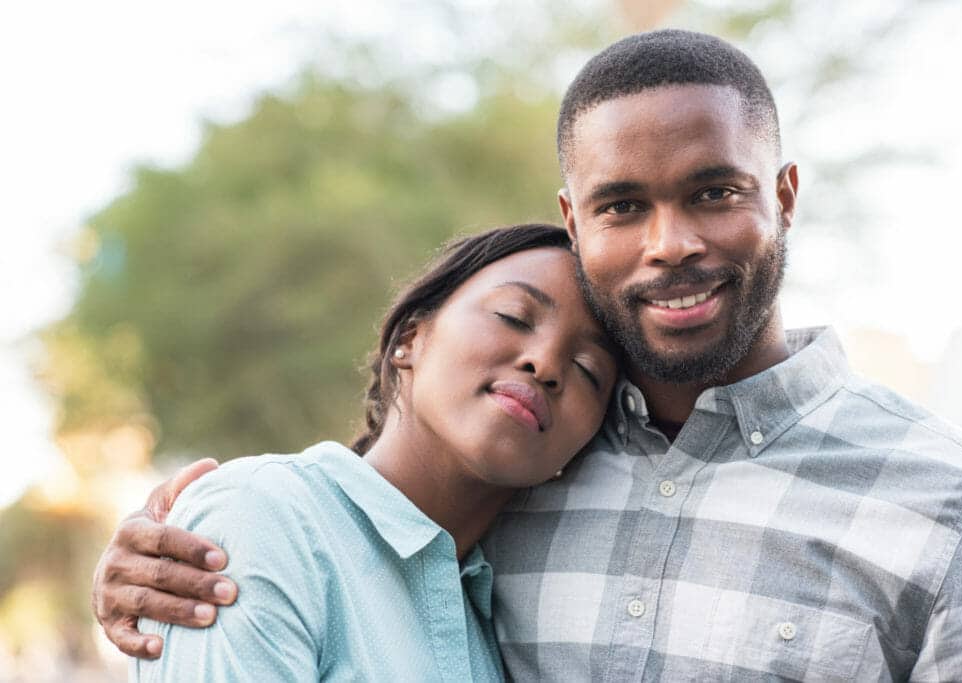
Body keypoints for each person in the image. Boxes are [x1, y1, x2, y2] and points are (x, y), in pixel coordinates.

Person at [94, 30, 962, 681]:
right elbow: (339, 532)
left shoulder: (958, 510)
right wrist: (174, 557)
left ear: (783, 193)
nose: (670, 244)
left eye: (714, 191)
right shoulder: (529, 472)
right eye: (622, 205)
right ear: (576, 219)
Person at [123, 223, 618, 680]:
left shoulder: (504, 624)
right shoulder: (264, 515)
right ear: (409, 338)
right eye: (513, 316)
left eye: (589, 369)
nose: (547, 362)